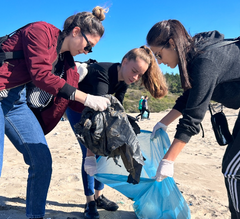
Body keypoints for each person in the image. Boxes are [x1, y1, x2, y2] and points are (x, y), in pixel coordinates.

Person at [0, 6, 110, 219]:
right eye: (89, 46)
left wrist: (101, 113)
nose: (87, 52)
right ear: (76, 32)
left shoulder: (67, 62)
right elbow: (41, 75)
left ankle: (35, 216)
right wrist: (86, 97)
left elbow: (69, 100)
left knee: (42, 162)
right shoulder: (40, 31)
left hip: (16, 102)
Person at [147, 20, 240, 219]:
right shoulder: (195, 56)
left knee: (237, 169)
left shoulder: (204, 59)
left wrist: (168, 160)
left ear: (172, 43)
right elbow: (189, 97)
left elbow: (193, 116)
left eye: (159, 54)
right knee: (231, 166)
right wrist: (163, 123)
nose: (159, 61)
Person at [65, 46, 168, 219]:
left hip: (98, 110)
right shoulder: (102, 74)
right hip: (79, 111)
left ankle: (99, 196)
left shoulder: (124, 80)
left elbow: (116, 112)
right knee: (91, 154)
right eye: (134, 71)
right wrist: (91, 155)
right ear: (124, 61)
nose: (135, 78)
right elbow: (94, 123)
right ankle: (90, 201)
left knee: (105, 152)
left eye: (139, 75)